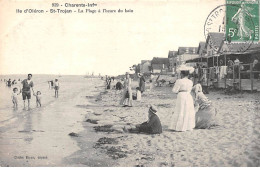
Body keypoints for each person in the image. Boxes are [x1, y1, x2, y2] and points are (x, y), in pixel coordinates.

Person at [169, 65, 195, 132]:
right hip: (188, 95)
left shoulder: (179, 81)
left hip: (181, 95)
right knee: (187, 110)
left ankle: (179, 126)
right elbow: (190, 90)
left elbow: (174, 90)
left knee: (180, 110)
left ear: (181, 74)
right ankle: (187, 126)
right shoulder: (190, 82)